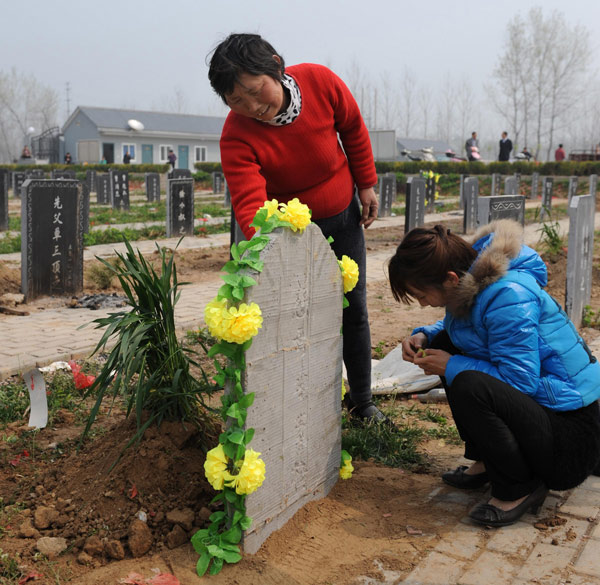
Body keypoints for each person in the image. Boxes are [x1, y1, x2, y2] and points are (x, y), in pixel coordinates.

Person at [208, 33, 384, 422]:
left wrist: (366, 183)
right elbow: (251, 205)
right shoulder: (236, 135)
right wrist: (273, 255)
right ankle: (301, 405)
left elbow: (353, 128)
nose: (253, 107)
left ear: (275, 66)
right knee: (295, 315)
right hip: (291, 235)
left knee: (352, 310)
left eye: (257, 91)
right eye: (237, 101)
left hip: (342, 215)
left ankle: (362, 400)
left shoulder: (321, 82)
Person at [387, 220, 600, 527]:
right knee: (445, 346)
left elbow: (520, 380)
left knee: (470, 382)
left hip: (569, 439)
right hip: (549, 414)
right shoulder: (473, 282)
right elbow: (471, 328)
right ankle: (489, 461)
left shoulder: (507, 294)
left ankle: (519, 487)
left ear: (449, 279)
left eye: (421, 295)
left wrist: (451, 365)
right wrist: (425, 336)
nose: (422, 304)